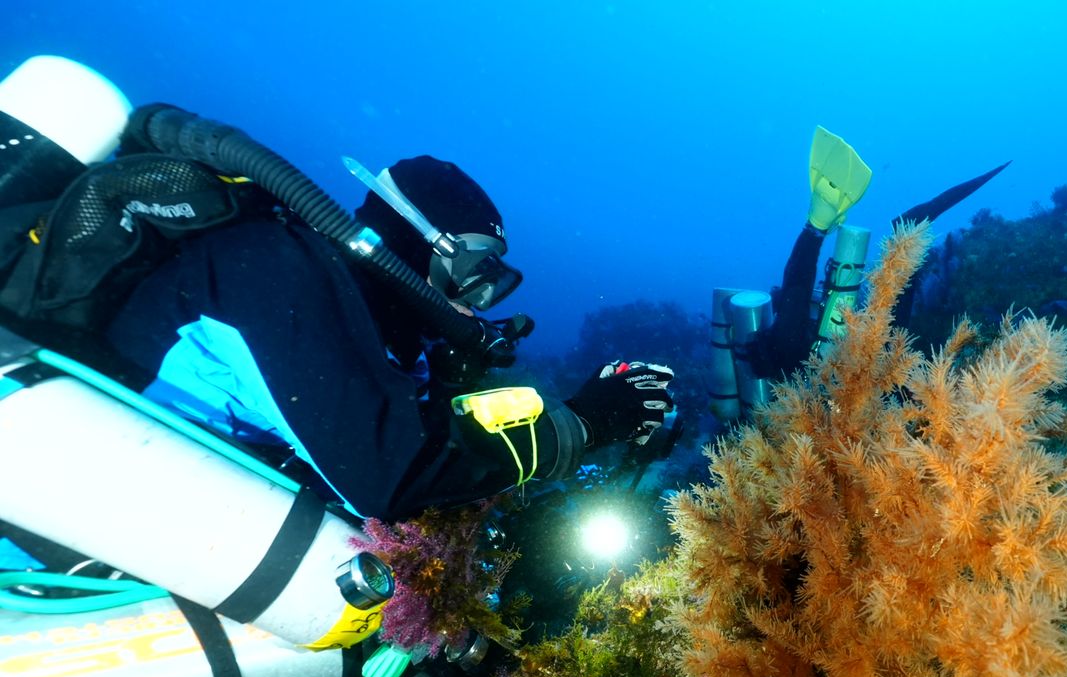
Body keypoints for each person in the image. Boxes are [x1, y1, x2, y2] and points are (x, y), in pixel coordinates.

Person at [100, 154, 676, 521]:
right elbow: (393, 474)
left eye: (491, 283)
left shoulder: (371, 325)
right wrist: (584, 422)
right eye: (471, 269)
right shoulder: (282, 275)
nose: (478, 301)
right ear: (414, 241)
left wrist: (454, 376)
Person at [746, 127, 1009, 381]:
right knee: (885, 351)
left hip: (815, 362)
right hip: (833, 364)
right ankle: (825, 226)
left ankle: (819, 225)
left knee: (870, 346)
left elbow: (795, 291)